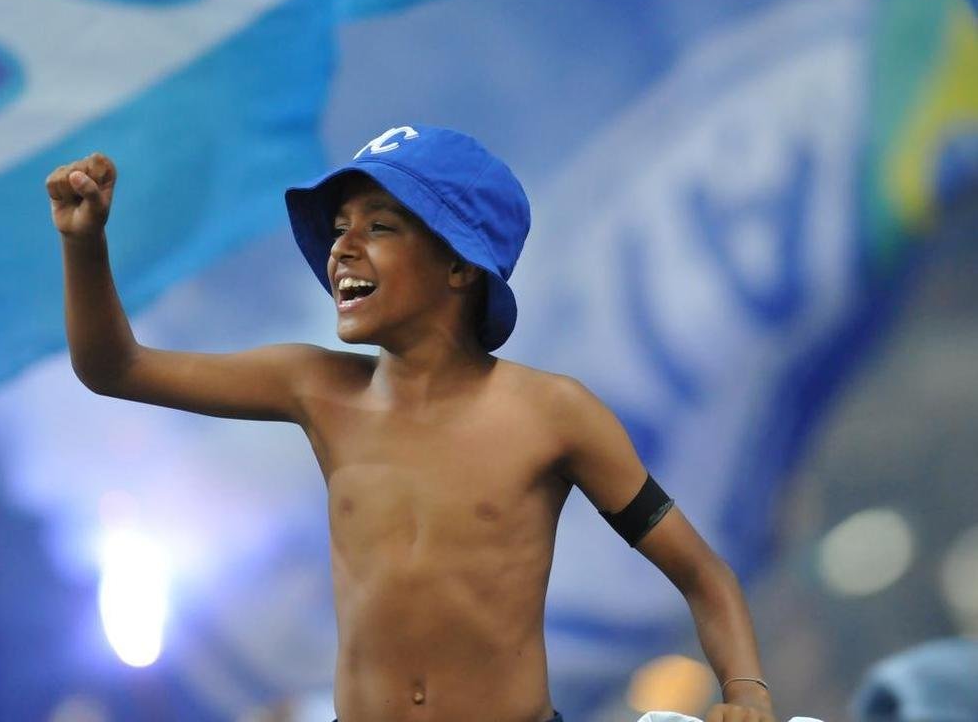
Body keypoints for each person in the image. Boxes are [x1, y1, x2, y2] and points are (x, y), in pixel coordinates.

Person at [46, 125, 777, 722]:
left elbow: (702, 574)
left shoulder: (554, 413)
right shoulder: (314, 387)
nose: (341, 246)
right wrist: (84, 245)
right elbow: (116, 369)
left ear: (461, 266)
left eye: (381, 225)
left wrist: (745, 694)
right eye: (337, 228)